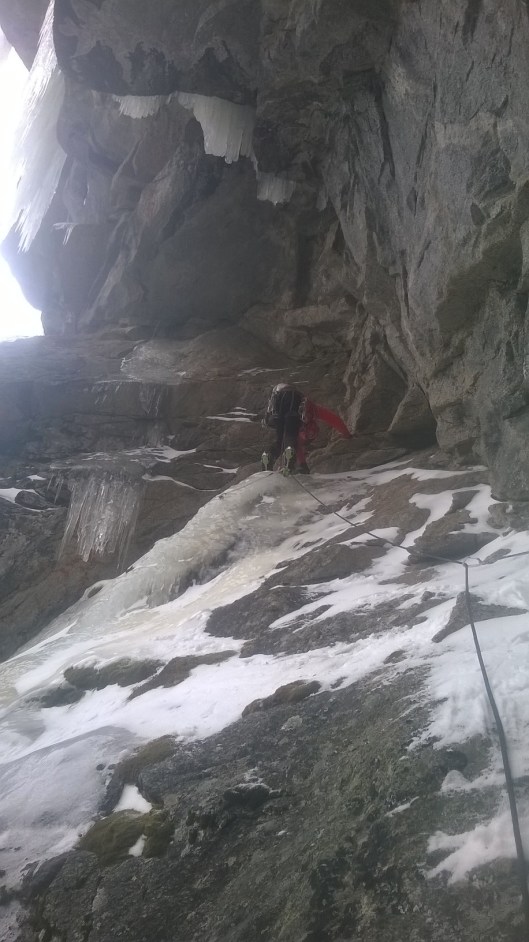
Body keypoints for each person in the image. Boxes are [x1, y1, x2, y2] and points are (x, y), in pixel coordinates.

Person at [261, 383, 352, 473]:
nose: (305, 435)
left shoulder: (308, 412)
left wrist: (303, 466)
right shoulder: (313, 411)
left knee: (280, 440)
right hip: (291, 413)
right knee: (290, 437)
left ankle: (269, 455)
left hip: (278, 408)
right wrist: (347, 435)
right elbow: (335, 420)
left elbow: (298, 449)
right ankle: (286, 461)